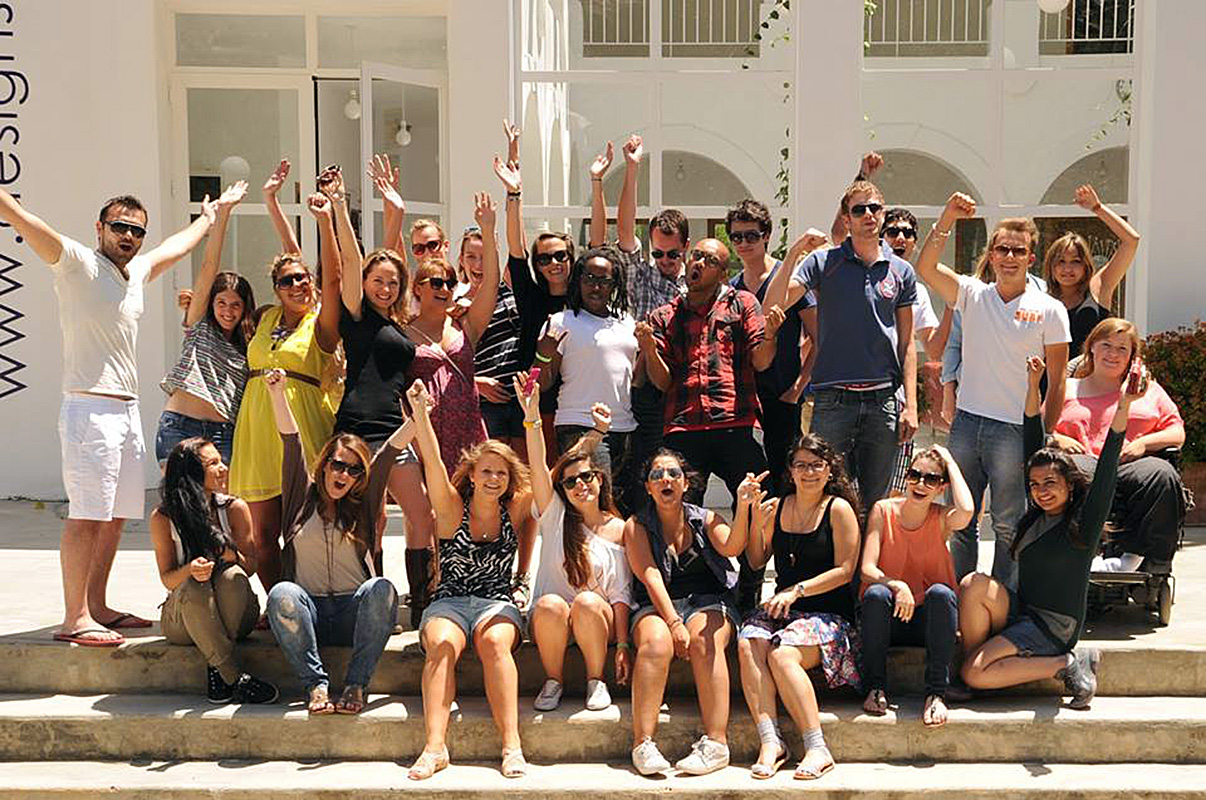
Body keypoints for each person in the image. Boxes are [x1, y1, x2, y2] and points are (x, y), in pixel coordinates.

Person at [0, 185, 219, 645]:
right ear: (100, 228)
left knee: (115, 516)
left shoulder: (135, 273)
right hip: (90, 410)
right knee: (87, 516)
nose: (128, 236)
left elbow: (174, 248)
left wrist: (209, 217)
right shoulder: (76, 262)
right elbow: (24, 220)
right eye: (119, 226)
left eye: (136, 230)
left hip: (126, 410)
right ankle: (74, 618)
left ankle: (96, 606)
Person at [957, 355, 1137, 710]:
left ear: (1069, 485)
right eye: (1035, 484)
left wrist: (1125, 404)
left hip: (1053, 626)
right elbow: (1031, 434)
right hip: (1023, 612)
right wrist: (1032, 384)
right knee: (972, 584)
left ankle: (1067, 663)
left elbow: (1108, 463)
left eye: (1051, 483)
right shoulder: (1034, 515)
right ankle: (973, 666)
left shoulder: (1084, 524)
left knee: (974, 673)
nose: (1041, 491)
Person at [913, 193, 1071, 588]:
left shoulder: (1050, 309)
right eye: (1002, 249)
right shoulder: (973, 294)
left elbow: (1057, 380)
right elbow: (926, 268)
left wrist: (1045, 432)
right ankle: (960, 598)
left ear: (1031, 258)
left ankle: (1002, 603)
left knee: (1007, 523)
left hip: (1014, 430)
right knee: (960, 519)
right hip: (967, 424)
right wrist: (947, 216)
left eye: (1018, 251)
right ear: (992, 255)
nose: (1009, 257)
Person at [637, 239, 779, 614]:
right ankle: (696, 588)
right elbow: (662, 381)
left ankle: (749, 592)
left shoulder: (742, 304)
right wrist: (649, 349)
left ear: (722, 271)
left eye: (709, 259)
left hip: (736, 423)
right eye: (695, 256)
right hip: (684, 427)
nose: (698, 263)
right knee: (679, 511)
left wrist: (771, 333)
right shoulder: (666, 314)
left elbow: (762, 361)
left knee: (755, 506)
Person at [405, 379, 534, 780]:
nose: (494, 478)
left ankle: (511, 746)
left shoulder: (516, 509)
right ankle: (434, 748)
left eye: (501, 473)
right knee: (442, 643)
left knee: (495, 642)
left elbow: (546, 471)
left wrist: (531, 417)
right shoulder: (451, 509)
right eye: (486, 471)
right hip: (450, 601)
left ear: (509, 479)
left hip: (497, 602)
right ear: (473, 475)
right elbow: (432, 463)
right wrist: (421, 414)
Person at [765, 180, 919, 510]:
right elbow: (774, 304)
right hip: (833, 400)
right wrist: (794, 254)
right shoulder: (823, 262)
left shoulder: (902, 271)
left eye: (874, 208)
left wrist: (911, 405)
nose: (868, 215)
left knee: (876, 502)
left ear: (883, 214)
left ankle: (868, 548)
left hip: (883, 401)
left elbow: (907, 344)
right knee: (828, 499)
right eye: (859, 210)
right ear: (846, 219)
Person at [262, 370, 403, 715]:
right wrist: (277, 394)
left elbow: (388, 454)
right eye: (338, 465)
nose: (344, 475)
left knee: (382, 589)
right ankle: (315, 684)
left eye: (354, 471)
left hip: (352, 614)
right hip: (308, 613)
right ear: (324, 465)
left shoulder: (363, 504)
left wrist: (417, 418)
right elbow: (291, 440)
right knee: (281, 593)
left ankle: (356, 684)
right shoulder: (300, 495)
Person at [228, 191, 342, 592]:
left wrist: (326, 221)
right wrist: (270, 202)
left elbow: (334, 279)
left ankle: (311, 599)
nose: (297, 284)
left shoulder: (321, 323)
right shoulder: (265, 318)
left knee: (305, 529)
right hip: (257, 430)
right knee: (262, 535)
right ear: (276, 289)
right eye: (287, 281)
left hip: (302, 427)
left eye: (302, 278)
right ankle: (280, 604)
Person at [736, 436, 862, 781]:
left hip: (828, 615)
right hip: (785, 613)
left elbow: (846, 570)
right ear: (790, 471)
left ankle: (817, 747)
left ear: (829, 470)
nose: (809, 472)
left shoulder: (838, 508)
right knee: (749, 641)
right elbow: (756, 560)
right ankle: (771, 741)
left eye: (817, 465)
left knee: (782, 654)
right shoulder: (779, 506)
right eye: (801, 465)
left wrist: (797, 590)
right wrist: (757, 523)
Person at [624, 449, 748, 776]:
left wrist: (744, 505)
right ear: (648, 487)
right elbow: (650, 575)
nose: (665, 479)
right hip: (656, 604)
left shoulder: (706, 518)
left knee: (704, 640)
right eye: (657, 475)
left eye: (673, 473)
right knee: (655, 643)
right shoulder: (636, 525)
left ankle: (717, 744)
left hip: (708, 600)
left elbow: (733, 547)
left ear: (685, 483)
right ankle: (643, 743)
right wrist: (674, 622)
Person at [520, 382, 634, 712]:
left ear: (600, 478)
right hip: (551, 621)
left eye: (586, 477)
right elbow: (539, 466)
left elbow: (621, 594)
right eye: (570, 482)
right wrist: (532, 418)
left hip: (597, 620)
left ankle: (595, 680)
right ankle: (553, 680)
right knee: (550, 605)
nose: (580, 485)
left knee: (586, 602)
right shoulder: (554, 516)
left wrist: (623, 643)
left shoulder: (620, 528)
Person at [588, 134, 687, 502]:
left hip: (679, 388)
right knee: (640, 472)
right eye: (658, 253)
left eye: (672, 254)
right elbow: (626, 229)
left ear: (685, 247)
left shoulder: (693, 287)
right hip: (640, 390)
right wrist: (632, 168)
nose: (665, 261)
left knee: (677, 473)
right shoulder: (641, 274)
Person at [150, 438, 277, 704]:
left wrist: (230, 555)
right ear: (193, 473)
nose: (224, 468)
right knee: (193, 586)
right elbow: (168, 580)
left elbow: (250, 567)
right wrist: (190, 570)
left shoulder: (234, 508)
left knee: (233, 576)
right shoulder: (163, 517)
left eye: (221, 460)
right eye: (213, 463)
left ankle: (217, 667)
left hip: (237, 612)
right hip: (184, 620)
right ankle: (232, 675)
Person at [1053, 318, 1186, 571]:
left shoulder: (1150, 391)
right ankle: (1086, 555)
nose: (1113, 354)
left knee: (1162, 475)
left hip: (1131, 464)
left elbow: (1177, 432)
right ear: (1092, 347)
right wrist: (1058, 439)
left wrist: (1144, 443)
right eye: (1106, 345)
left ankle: (1136, 559)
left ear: (1132, 357)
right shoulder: (1067, 389)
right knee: (1078, 474)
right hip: (1084, 460)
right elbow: (1041, 428)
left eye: (1122, 348)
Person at [859, 445, 973, 727]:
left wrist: (949, 460)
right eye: (915, 475)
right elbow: (867, 569)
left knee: (941, 593)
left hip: (929, 622)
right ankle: (875, 687)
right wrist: (897, 585)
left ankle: (936, 693)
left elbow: (967, 510)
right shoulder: (883, 510)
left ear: (941, 487)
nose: (920, 484)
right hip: (889, 619)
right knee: (876, 593)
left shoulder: (942, 517)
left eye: (931, 479)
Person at [155, 181, 255, 467]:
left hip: (223, 434)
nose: (228, 311)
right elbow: (208, 266)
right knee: (179, 496)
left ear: (245, 308)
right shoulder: (199, 325)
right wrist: (223, 214)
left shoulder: (249, 346)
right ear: (211, 303)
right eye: (221, 302)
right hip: (180, 426)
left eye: (235, 305)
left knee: (216, 497)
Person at [727, 199, 816, 498]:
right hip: (745, 401)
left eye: (751, 235)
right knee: (750, 482)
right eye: (736, 237)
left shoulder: (789, 278)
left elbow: (820, 338)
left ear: (766, 235)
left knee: (787, 480)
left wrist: (797, 389)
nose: (743, 243)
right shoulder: (732, 288)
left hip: (783, 396)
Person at [536, 245, 637, 508]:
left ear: (614, 284)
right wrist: (543, 355)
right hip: (580, 424)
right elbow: (540, 383)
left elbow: (634, 377)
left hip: (624, 427)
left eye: (604, 280)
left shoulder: (627, 322)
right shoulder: (561, 321)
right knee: (597, 504)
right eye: (589, 278)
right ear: (578, 280)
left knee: (619, 508)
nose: (596, 286)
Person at [496, 121, 572, 459]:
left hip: (573, 407)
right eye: (544, 259)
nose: (553, 263)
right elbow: (516, 247)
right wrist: (514, 194)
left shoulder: (585, 297)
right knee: (527, 482)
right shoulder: (531, 297)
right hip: (530, 405)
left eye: (560, 256)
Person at [878, 207, 946, 495]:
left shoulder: (918, 291)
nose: (900, 238)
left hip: (898, 400)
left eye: (908, 233)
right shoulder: (861, 279)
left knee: (894, 489)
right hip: (857, 396)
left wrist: (953, 303)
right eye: (893, 231)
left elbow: (933, 348)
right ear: (880, 237)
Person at [1041, 184, 1140, 359]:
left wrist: (1097, 208)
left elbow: (1131, 241)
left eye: (1075, 261)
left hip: (1092, 374)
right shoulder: (1040, 298)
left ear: (1086, 265)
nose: (1067, 269)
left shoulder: (1098, 287)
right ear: (1051, 265)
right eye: (1061, 261)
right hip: (1049, 376)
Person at [469, 223, 527, 458]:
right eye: (471, 256)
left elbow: (519, 249)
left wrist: (513, 203)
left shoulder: (509, 288)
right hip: (487, 404)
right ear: (461, 260)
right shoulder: (454, 301)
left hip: (522, 400)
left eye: (485, 256)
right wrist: (476, 384)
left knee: (525, 470)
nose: (478, 264)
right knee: (492, 465)